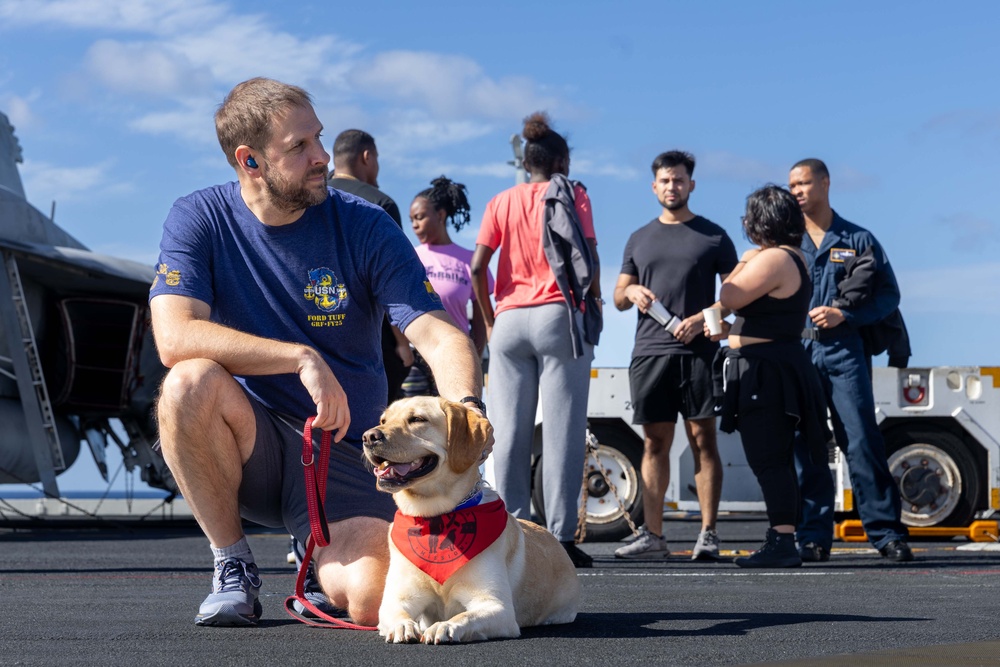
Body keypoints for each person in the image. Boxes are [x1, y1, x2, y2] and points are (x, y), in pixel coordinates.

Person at [149, 77, 486, 627]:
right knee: (187, 382)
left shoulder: (365, 225)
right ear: (250, 161)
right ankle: (232, 562)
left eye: (319, 139)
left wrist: (468, 409)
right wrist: (301, 358)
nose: (323, 159)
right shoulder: (199, 217)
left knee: (379, 601)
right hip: (249, 441)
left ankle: (319, 558)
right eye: (299, 147)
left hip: (347, 451)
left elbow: (437, 333)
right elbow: (174, 336)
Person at [471, 112, 601, 569]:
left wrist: (489, 321)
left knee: (508, 434)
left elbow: (477, 267)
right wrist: (594, 305)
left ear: (527, 163)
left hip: (507, 321)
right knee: (563, 431)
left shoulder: (501, 200)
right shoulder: (571, 192)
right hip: (557, 313)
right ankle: (562, 539)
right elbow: (588, 252)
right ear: (560, 161)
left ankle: (508, 534)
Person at [612, 151, 737, 561]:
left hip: (700, 352)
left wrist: (704, 319)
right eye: (665, 181)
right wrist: (630, 291)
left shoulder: (714, 237)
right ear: (654, 186)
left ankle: (709, 534)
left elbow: (737, 297)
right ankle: (653, 536)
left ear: (691, 184)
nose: (672, 187)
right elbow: (617, 297)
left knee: (704, 440)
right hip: (650, 353)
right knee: (654, 444)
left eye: (679, 180)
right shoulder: (638, 237)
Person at [788, 158, 913, 563]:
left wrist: (847, 314)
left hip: (844, 350)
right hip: (800, 352)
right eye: (792, 186)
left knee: (860, 440)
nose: (797, 192)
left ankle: (886, 534)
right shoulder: (785, 243)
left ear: (825, 183)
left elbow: (888, 296)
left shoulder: (859, 240)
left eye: (804, 183)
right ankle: (812, 537)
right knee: (806, 447)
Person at [714, 184, 830, 568]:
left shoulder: (775, 258)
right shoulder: (787, 257)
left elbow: (729, 295)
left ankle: (782, 539)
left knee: (770, 459)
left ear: (761, 221)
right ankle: (782, 536)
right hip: (767, 366)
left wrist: (746, 258)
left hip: (767, 372)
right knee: (772, 458)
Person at [327, 129, 412, 404]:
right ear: (367, 157)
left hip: (315, 323)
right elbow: (393, 282)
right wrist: (402, 342)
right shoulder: (379, 205)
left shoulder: (310, 197)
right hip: (370, 335)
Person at [403, 176, 493, 396]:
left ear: (441, 215)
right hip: (415, 356)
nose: (414, 225)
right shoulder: (409, 256)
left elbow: (481, 317)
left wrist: (475, 354)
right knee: (411, 424)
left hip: (455, 355)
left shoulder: (469, 260)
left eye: (420, 217)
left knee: (452, 423)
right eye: (411, 219)